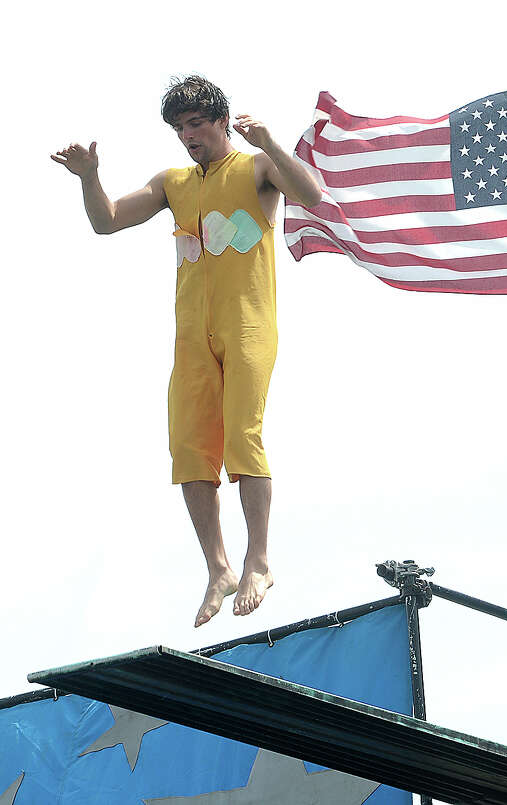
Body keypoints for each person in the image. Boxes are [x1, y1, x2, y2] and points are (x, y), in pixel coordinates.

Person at [51, 75, 323, 627]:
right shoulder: (173, 182)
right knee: (190, 450)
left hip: (246, 325)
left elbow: (312, 194)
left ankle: (259, 561)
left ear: (221, 120)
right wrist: (89, 177)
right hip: (190, 337)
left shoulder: (255, 168)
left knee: (242, 435)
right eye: (179, 127)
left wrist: (270, 142)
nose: (187, 135)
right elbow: (107, 222)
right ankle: (218, 568)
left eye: (196, 123)